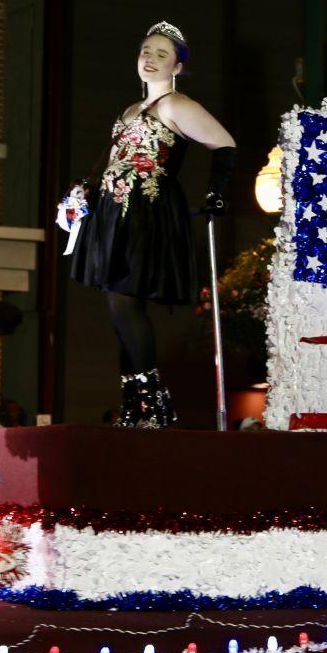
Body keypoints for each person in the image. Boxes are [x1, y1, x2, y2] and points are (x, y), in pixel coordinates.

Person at [69, 21, 237, 426]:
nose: (150, 58)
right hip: (114, 213)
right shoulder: (129, 111)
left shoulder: (177, 107)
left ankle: (155, 400)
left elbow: (225, 144)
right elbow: (115, 161)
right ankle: (135, 402)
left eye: (162, 54)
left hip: (148, 211)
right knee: (118, 304)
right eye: (146, 50)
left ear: (176, 67)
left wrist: (215, 192)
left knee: (123, 300)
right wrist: (86, 193)